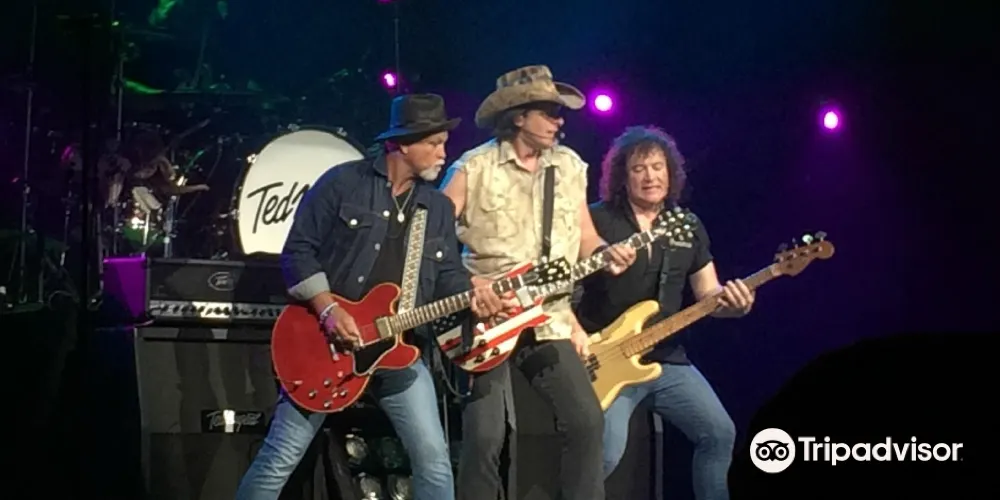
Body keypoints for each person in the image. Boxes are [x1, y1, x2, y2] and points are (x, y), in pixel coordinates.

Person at [235, 93, 507, 500]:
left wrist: (474, 293)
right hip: (327, 347)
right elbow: (298, 252)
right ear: (402, 144)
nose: (443, 153)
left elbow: (447, 275)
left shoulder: (435, 207)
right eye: (434, 143)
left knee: (434, 462)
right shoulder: (342, 183)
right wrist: (328, 310)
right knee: (281, 457)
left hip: (399, 351)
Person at [439, 65, 638, 500]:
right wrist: (469, 284)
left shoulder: (569, 166)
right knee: (485, 436)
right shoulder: (473, 168)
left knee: (586, 421)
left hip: (549, 316)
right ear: (517, 116)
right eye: (548, 112)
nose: (558, 121)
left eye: (558, 113)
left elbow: (585, 236)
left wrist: (606, 253)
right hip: (486, 318)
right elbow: (432, 243)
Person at [573, 125, 755, 500]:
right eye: (639, 168)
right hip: (607, 360)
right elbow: (562, 287)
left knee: (719, 433)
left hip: (666, 358)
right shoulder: (597, 220)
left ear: (671, 173)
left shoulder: (686, 225)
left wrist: (736, 304)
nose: (650, 176)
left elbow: (709, 293)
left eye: (658, 167)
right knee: (605, 455)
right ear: (623, 176)